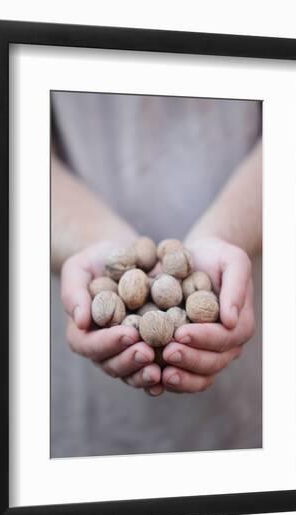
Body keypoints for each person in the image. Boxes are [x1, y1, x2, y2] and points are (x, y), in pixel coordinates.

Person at [50, 92, 262, 457]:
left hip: (239, 290)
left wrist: (227, 234)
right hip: (82, 397)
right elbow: (5, 147)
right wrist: (94, 239)